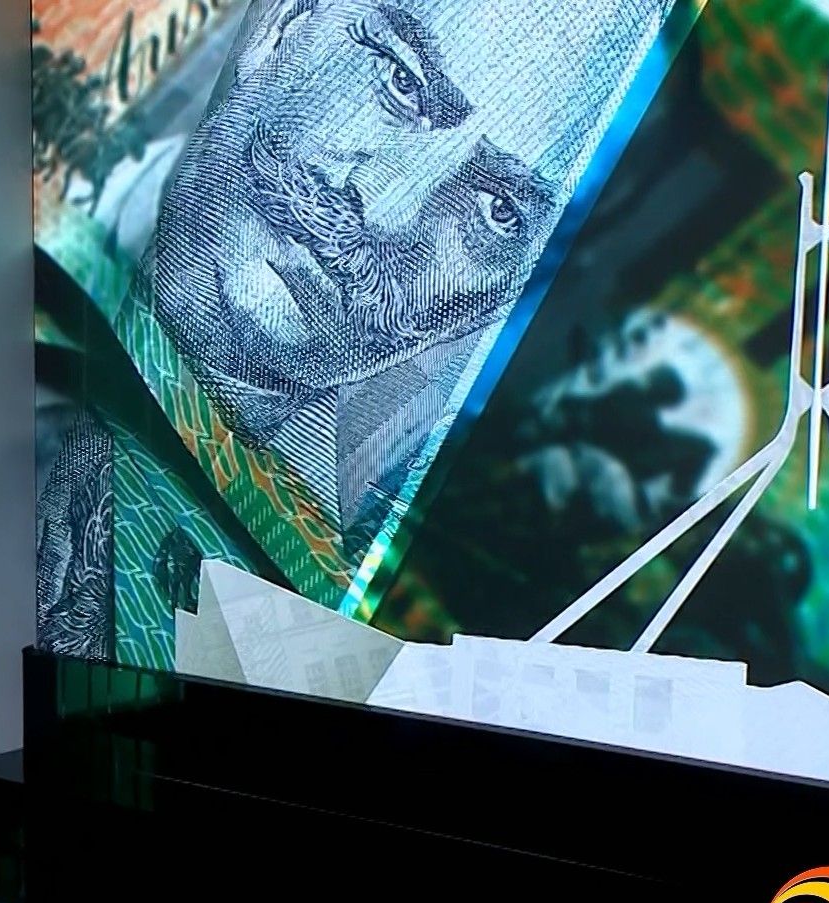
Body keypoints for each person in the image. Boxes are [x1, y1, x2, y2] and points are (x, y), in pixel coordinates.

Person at [132, 0, 673, 541]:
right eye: (401, 82)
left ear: (501, 299)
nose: (385, 213)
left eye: (500, 211)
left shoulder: (322, 548)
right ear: (284, 20)